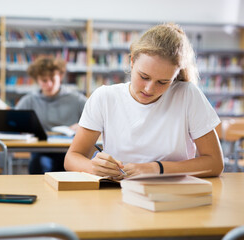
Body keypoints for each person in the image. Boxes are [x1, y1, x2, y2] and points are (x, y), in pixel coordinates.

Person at [64, 23, 224, 179]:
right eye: (144, 77)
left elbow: (215, 163)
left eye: (163, 82)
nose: (149, 89)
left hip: (173, 194)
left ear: (175, 75)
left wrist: (157, 168)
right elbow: (72, 158)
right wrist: (94, 167)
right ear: (132, 61)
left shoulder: (187, 95)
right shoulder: (104, 97)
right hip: (116, 194)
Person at [16, 56, 87, 174]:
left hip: (70, 151)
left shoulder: (77, 99)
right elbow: (11, 122)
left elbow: (98, 119)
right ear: (37, 80)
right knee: (38, 164)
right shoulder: (29, 100)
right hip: (40, 151)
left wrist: (83, 126)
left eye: (53, 79)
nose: (49, 84)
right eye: (44, 80)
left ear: (60, 77)